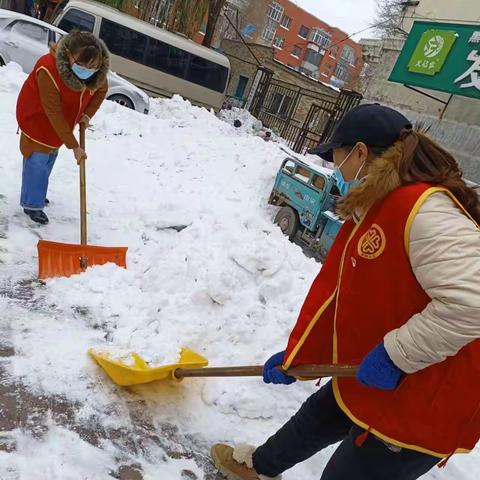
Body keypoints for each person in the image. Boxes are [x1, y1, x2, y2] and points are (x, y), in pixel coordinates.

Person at [210, 104, 480, 479]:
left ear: (360, 153)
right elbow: (349, 296)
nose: (333, 168)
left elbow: (473, 304)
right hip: (379, 368)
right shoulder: (377, 206)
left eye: (335, 156)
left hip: (428, 393)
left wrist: (394, 355)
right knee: (321, 414)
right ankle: (258, 467)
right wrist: (300, 357)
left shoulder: (425, 210)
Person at [16, 31, 109, 224]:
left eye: (92, 66)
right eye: (82, 64)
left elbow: (101, 90)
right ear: (69, 55)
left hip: (62, 125)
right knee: (37, 161)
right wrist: (74, 146)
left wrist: (86, 115)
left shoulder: (95, 73)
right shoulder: (48, 68)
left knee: (49, 159)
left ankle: (37, 192)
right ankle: (32, 204)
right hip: (38, 120)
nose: (88, 69)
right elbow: (52, 112)